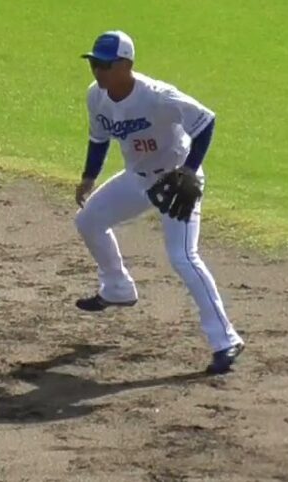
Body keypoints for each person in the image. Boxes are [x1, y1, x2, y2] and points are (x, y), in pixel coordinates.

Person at [72, 30, 245, 374]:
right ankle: (118, 288)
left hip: (174, 181)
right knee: (89, 220)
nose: (97, 71)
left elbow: (205, 120)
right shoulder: (97, 96)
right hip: (138, 179)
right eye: (94, 63)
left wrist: (190, 171)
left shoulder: (156, 96)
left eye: (105, 65)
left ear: (126, 65)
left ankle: (225, 339)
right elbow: (98, 138)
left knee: (182, 256)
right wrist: (89, 177)